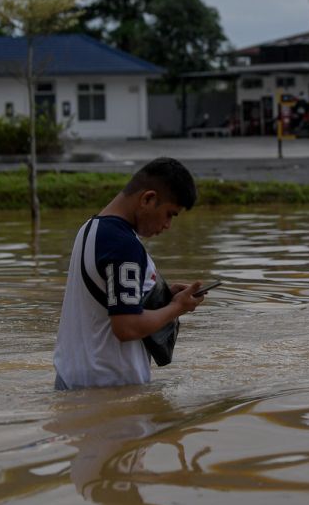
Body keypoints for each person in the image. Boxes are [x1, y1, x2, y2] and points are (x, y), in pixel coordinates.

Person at [53, 157, 206, 390]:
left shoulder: (90, 229)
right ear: (148, 199)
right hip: (109, 393)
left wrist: (162, 295)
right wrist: (178, 308)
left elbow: (106, 301)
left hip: (72, 381)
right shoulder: (124, 245)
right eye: (170, 214)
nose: (168, 225)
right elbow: (127, 327)